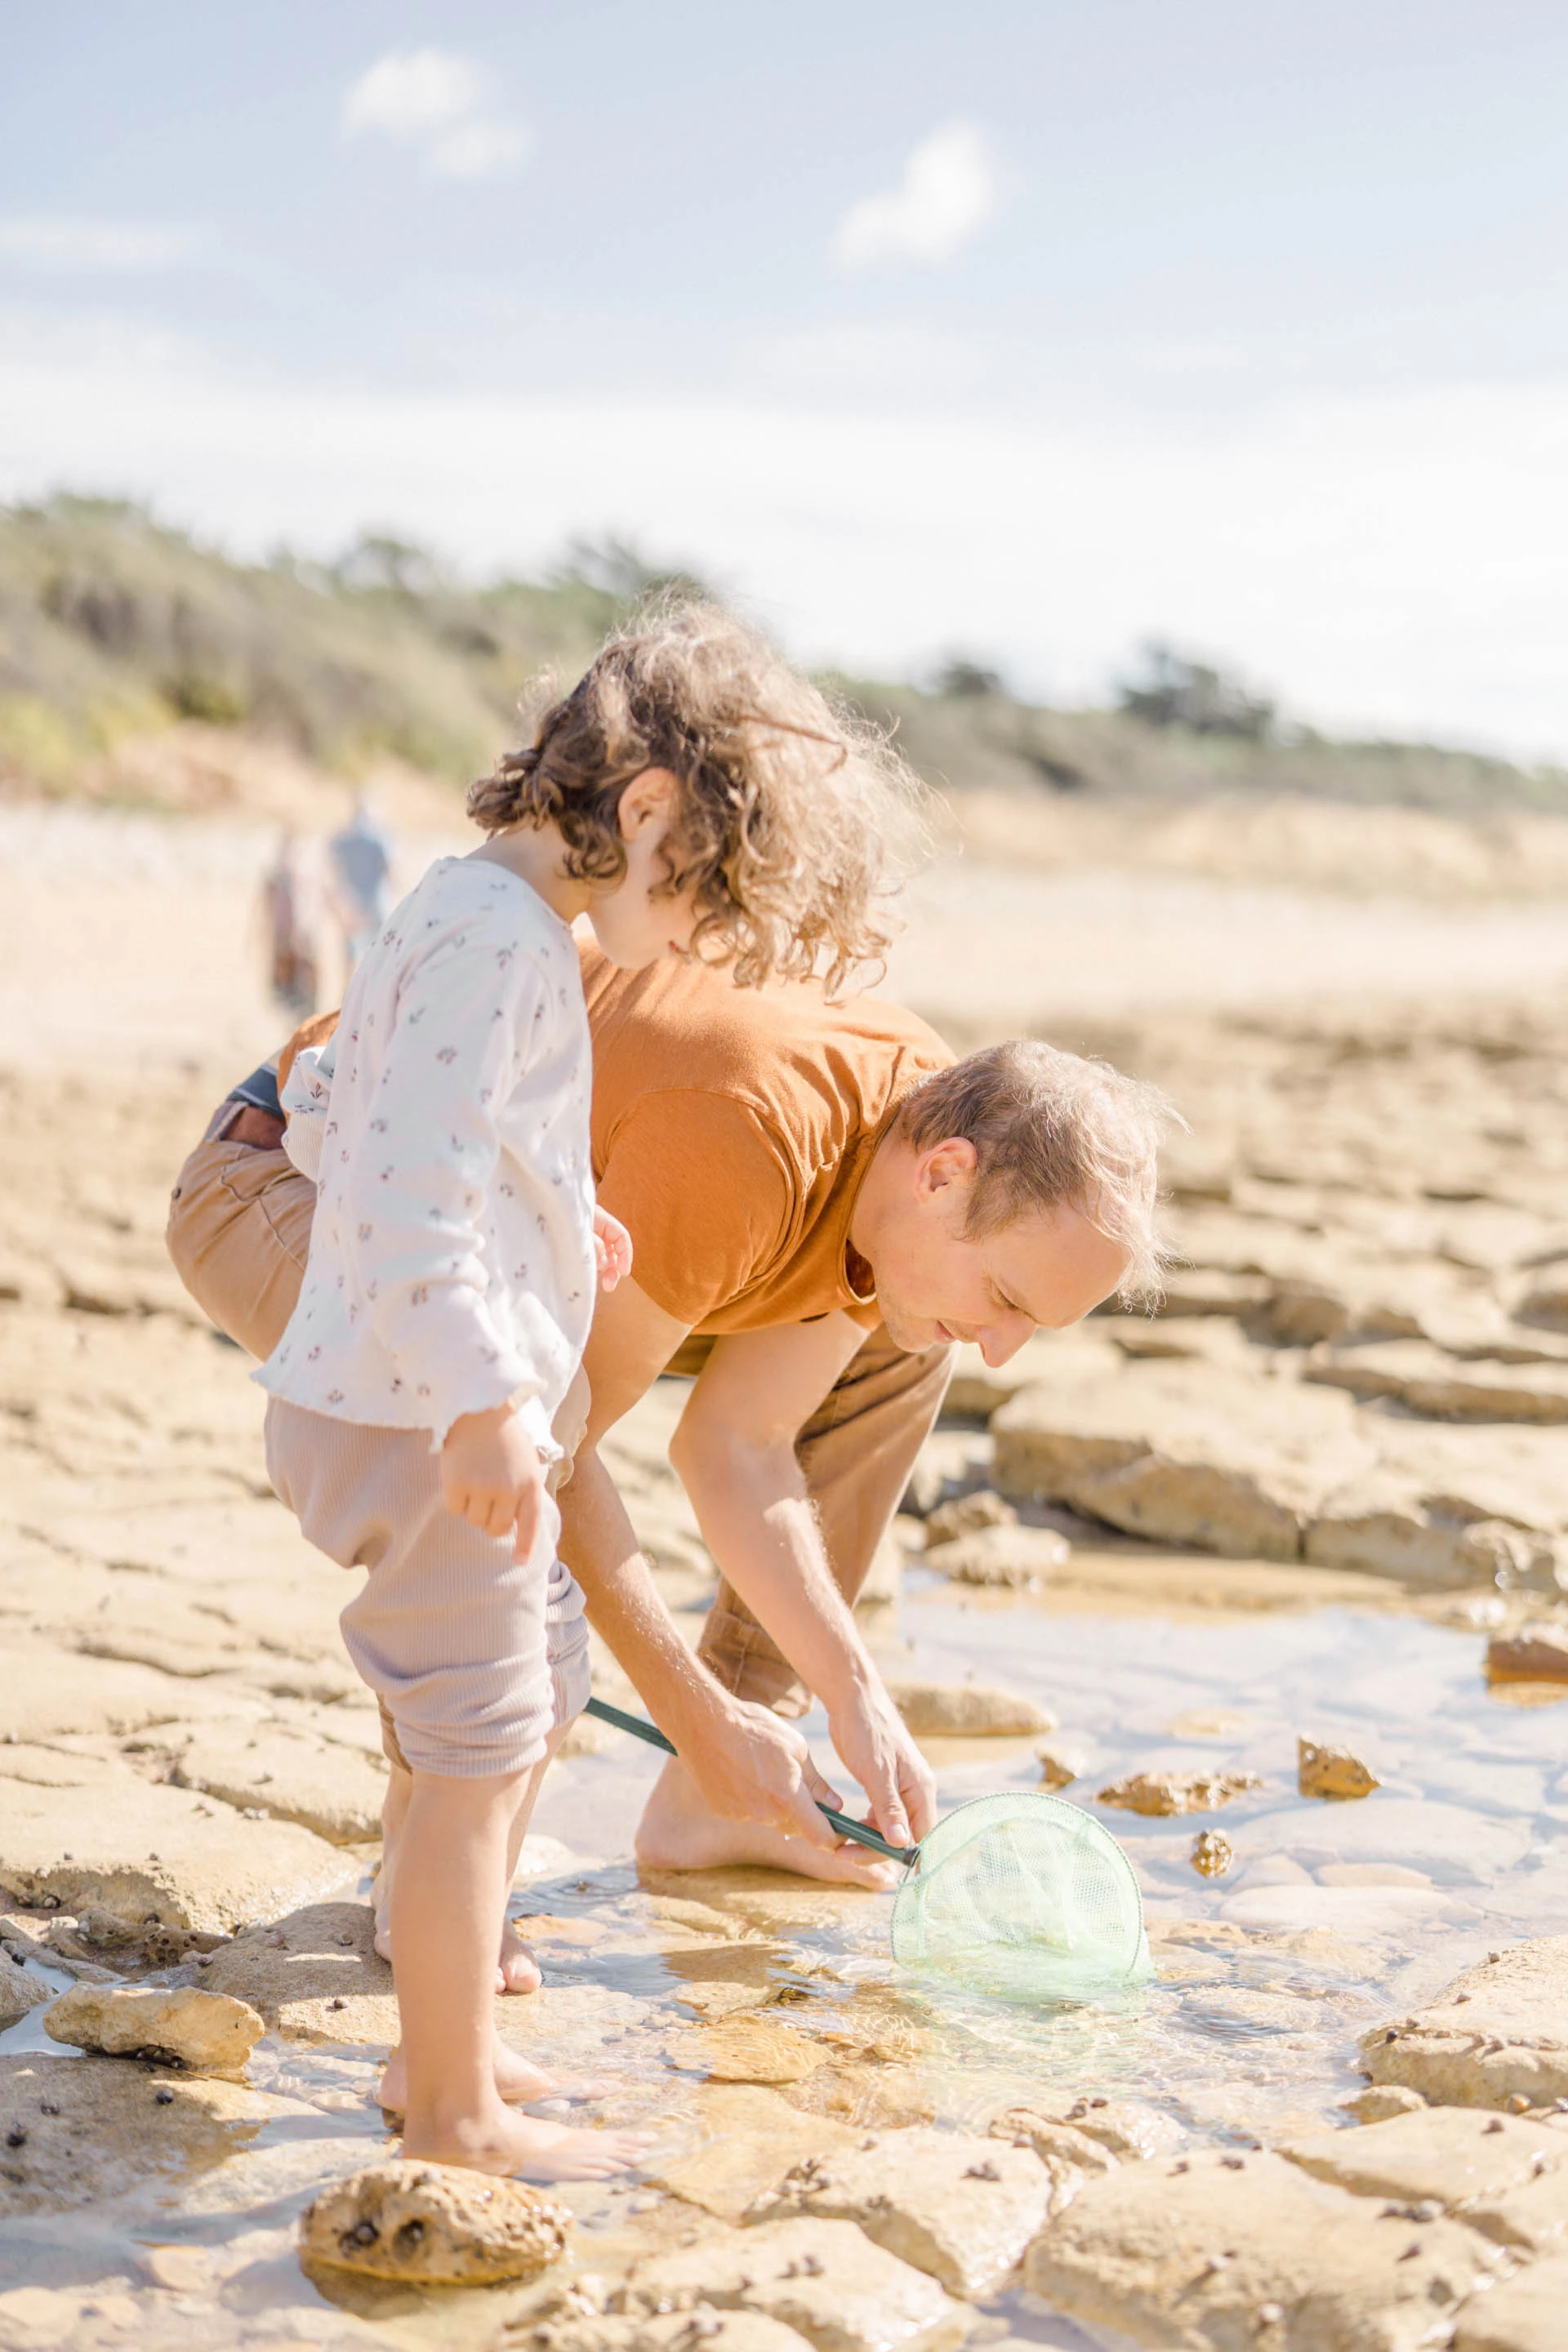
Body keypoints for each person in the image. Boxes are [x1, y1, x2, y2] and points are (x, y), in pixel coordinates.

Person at [249, 604, 924, 2181]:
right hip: (426, 1415)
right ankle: (450, 2109)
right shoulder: (500, 946)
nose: (696, 955)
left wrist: (564, 1214)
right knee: (480, 1757)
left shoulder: (480, 922)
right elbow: (415, 1190)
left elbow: (361, 1102)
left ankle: (453, 2037)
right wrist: (494, 1394)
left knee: (534, 1689)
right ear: (646, 815)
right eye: (711, 911)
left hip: (417, 1392)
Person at [326, 795, 394, 970]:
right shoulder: (380, 839)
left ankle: (349, 994)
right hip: (376, 904)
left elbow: (333, 874)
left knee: (351, 957)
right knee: (380, 957)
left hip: (351, 905)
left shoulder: (341, 840)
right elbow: (390, 872)